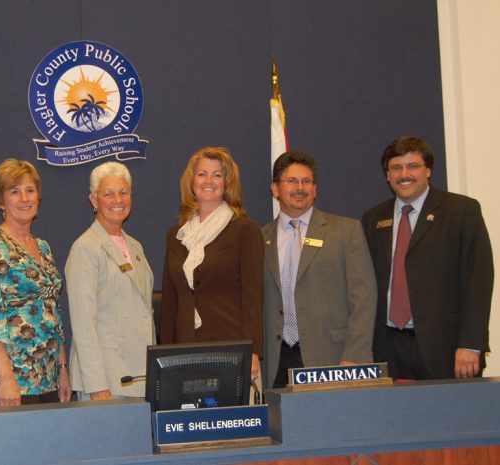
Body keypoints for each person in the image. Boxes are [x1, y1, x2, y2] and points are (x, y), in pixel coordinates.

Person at [362, 136, 494, 380]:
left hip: (447, 347)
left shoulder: (462, 211)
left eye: (413, 166)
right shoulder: (372, 219)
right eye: (396, 168)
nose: (404, 175)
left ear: (429, 171)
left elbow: (479, 280)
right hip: (387, 347)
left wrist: (471, 344)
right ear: (387, 175)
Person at [262, 152, 377, 388]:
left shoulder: (346, 232)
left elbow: (364, 299)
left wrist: (355, 355)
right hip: (275, 361)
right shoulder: (259, 239)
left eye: (307, 181)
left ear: (315, 189)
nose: (300, 188)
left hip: (332, 359)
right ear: (275, 189)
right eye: (291, 181)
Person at [161, 146, 263, 380]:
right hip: (184, 350)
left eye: (217, 175)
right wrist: (164, 353)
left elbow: (253, 297)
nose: (209, 181)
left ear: (227, 183)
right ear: (191, 181)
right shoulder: (176, 235)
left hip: (230, 348)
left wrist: (253, 351)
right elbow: (170, 302)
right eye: (202, 174)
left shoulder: (245, 230)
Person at [0, 159, 71, 406]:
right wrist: (6, 378)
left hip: (47, 377)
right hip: (13, 382)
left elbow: (54, 313)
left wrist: (62, 369)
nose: (24, 198)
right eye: (14, 192)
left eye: (30, 190)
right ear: (0, 201)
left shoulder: (43, 247)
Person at [65, 162, 155, 399]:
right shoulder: (85, 248)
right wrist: (96, 385)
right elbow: (84, 323)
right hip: (107, 382)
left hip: (140, 378)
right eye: (108, 194)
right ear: (94, 200)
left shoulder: (135, 246)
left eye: (123, 192)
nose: (118, 200)